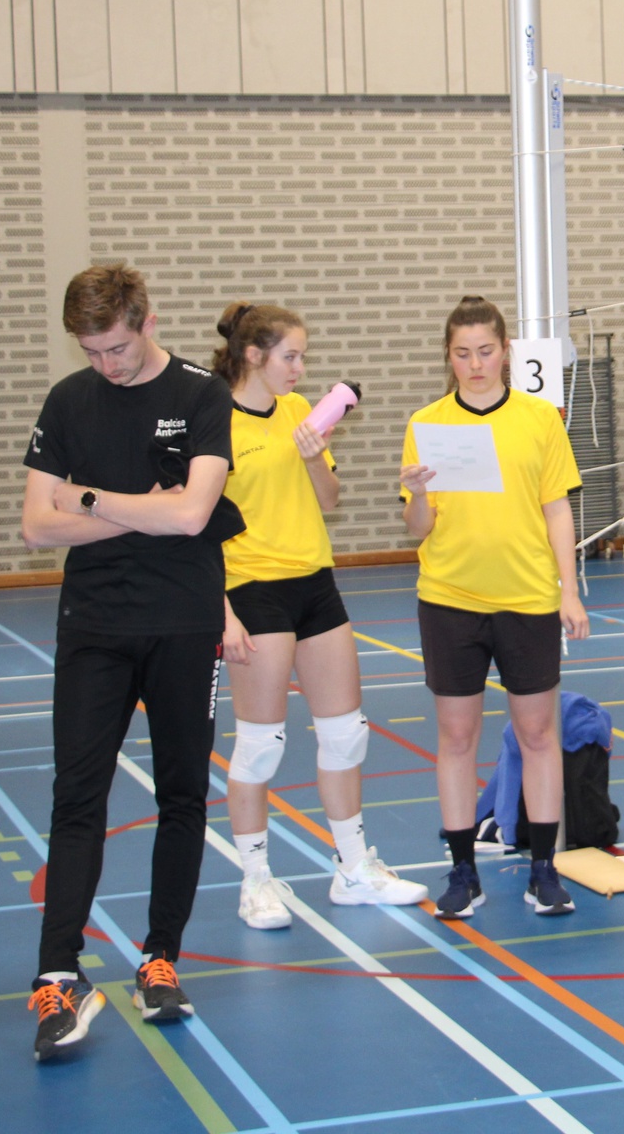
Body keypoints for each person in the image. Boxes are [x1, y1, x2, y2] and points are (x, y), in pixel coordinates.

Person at [21, 264, 245, 1061]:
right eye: (91, 351)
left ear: (147, 322)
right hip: (94, 624)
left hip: (183, 623)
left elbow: (191, 516)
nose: (105, 365)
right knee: (76, 795)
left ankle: (160, 959)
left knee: (183, 794)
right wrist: (142, 507)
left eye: (115, 347)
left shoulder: (201, 395)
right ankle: (58, 973)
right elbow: (35, 527)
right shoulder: (67, 400)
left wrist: (86, 498)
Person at [214, 302, 426, 929]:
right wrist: (220, 612)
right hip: (252, 588)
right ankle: (256, 880)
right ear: (253, 355)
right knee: (259, 746)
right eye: (290, 357)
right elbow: (192, 527)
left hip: (315, 583)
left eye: (302, 357)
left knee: (345, 733)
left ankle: (354, 869)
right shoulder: (214, 421)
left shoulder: (299, 411)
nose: (299, 369)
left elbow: (329, 499)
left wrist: (312, 456)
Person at [402, 296, 588, 920]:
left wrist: (568, 590)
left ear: (506, 352)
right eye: (462, 353)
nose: (475, 364)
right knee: (457, 737)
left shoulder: (538, 419)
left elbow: (557, 508)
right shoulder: (427, 423)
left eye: (485, 351)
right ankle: (463, 872)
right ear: (448, 357)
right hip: (449, 600)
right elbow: (417, 527)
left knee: (538, 734)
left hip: (527, 599)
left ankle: (543, 870)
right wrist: (417, 494)